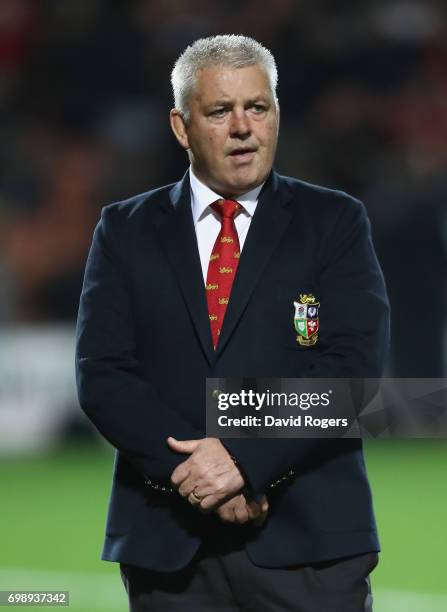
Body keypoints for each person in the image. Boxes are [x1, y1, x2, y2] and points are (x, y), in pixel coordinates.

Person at [76, 35, 389, 612]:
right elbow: (104, 374)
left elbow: (352, 371)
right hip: (169, 549)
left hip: (311, 547)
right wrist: (193, 475)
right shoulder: (124, 230)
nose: (244, 127)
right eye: (221, 111)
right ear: (180, 126)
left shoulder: (335, 222)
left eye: (258, 107)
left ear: (276, 114)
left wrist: (244, 459)